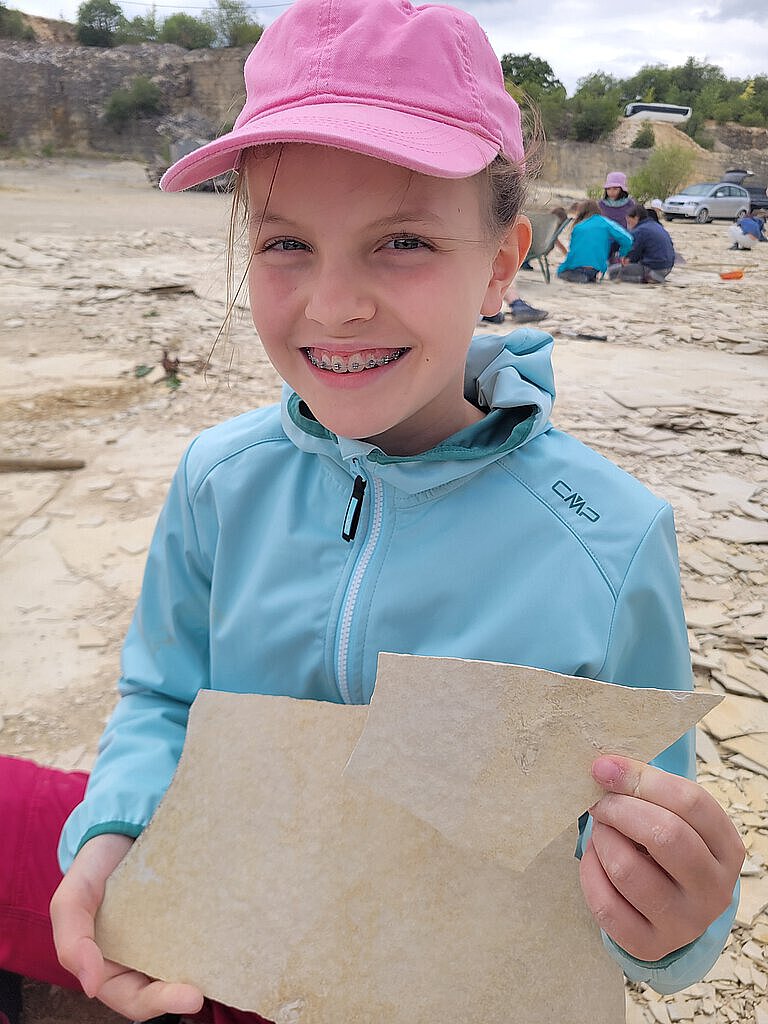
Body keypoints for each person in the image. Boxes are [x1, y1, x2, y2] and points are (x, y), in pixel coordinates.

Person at [0, 1, 744, 1022]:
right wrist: (115, 831)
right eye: (286, 243)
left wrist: (677, 921)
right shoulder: (218, 480)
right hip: (234, 952)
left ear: (501, 263)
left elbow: (643, 847)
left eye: (401, 241)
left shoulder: (609, 541)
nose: (334, 304)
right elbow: (164, 698)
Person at [556, 200, 633, 283]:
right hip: (596, 269)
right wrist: (622, 254)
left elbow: (573, 252)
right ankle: (588, 277)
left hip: (577, 267)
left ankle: (583, 277)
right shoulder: (606, 223)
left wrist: (561, 269)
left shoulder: (578, 227)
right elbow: (628, 239)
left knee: (561, 272)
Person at [608, 202, 676, 284]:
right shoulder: (655, 225)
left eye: (629, 222)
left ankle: (647, 278)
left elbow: (634, 253)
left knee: (612, 272)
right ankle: (652, 276)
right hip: (667, 266)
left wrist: (627, 258)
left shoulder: (640, 230)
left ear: (636, 218)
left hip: (654, 267)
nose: (628, 225)